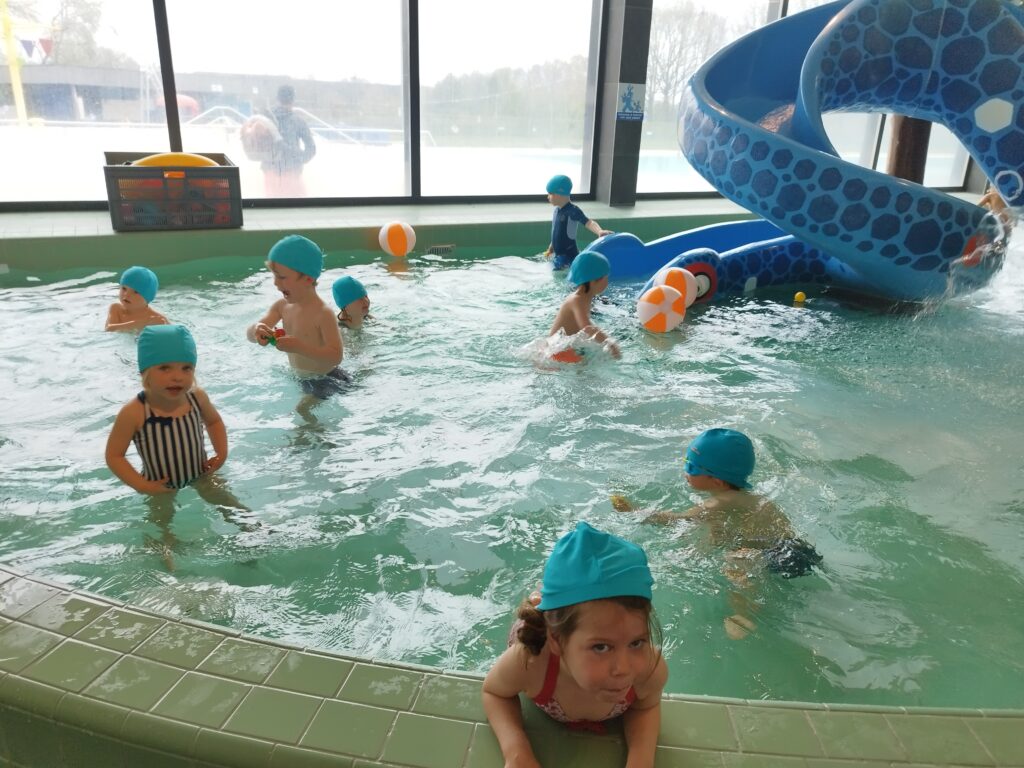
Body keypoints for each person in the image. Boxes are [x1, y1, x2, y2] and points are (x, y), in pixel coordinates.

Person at [482, 521, 668, 768]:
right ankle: (542, 601)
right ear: (556, 641)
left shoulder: (649, 670)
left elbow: (645, 707)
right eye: (601, 647)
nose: (624, 669)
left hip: (571, 622)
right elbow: (494, 693)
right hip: (543, 632)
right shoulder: (529, 660)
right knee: (542, 618)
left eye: (636, 642)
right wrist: (516, 753)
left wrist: (641, 761)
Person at [613, 428, 821, 639]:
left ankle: (743, 614)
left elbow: (677, 520)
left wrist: (635, 512)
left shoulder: (719, 503)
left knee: (735, 560)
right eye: (686, 461)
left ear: (717, 481)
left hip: (780, 556)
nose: (685, 471)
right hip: (799, 550)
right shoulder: (746, 499)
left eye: (691, 467)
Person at [105, 325, 255, 569]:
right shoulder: (134, 412)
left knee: (230, 503)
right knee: (160, 521)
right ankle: (164, 550)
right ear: (145, 372)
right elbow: (114, 455)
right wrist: (143, 485)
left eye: (186, 368)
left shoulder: (196, 397)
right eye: (165, 368)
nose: (178, 376)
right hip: (160, 483)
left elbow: (214, 422)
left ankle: (254, 532)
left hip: (201, 472)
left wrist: (221, 453)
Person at [246, 235, 347, 409]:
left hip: (326, 379)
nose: (275, 283)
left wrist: (300, 347)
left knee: (302, 410)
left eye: (282, 277)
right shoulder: (282, 307)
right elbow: (249, 334)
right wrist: (257, 330)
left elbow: (336, 356)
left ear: (307, 279)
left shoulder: (323, 313)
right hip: (302, 378)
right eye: (274, 276)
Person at [548, 250, 621, 362]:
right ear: (593, 281)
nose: (607, 282)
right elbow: (587, 327)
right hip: (557, 352)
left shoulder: (584, 298)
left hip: (565, 347)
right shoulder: (576, 300)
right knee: (590, 368)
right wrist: (609, 342)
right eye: (606, 278)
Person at [544, 175, 612, 271]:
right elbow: (556, 231)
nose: (548, 197)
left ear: (559, 194)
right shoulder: (557, 210)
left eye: (550, 193)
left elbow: (589, 223)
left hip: (569, 257)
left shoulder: (573, 211)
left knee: (559, 273)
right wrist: (551, 247)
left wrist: (599, 231)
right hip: (559, 256)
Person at [261, 85, 316, 197]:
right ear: (293, 99)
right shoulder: (298, 121)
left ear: (277, 98)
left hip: (270, 172)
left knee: (272, 203)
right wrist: (299, 159)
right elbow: (311, 148)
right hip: (291, 172)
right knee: (296, 204)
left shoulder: (265, 119)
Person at [105, 266, 168, 332]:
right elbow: (108, 329)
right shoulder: (116, 309)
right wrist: (140, 323)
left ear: (147, 297)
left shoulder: (157, 320)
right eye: (124, 288)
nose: (126, 294)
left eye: (135, 292)